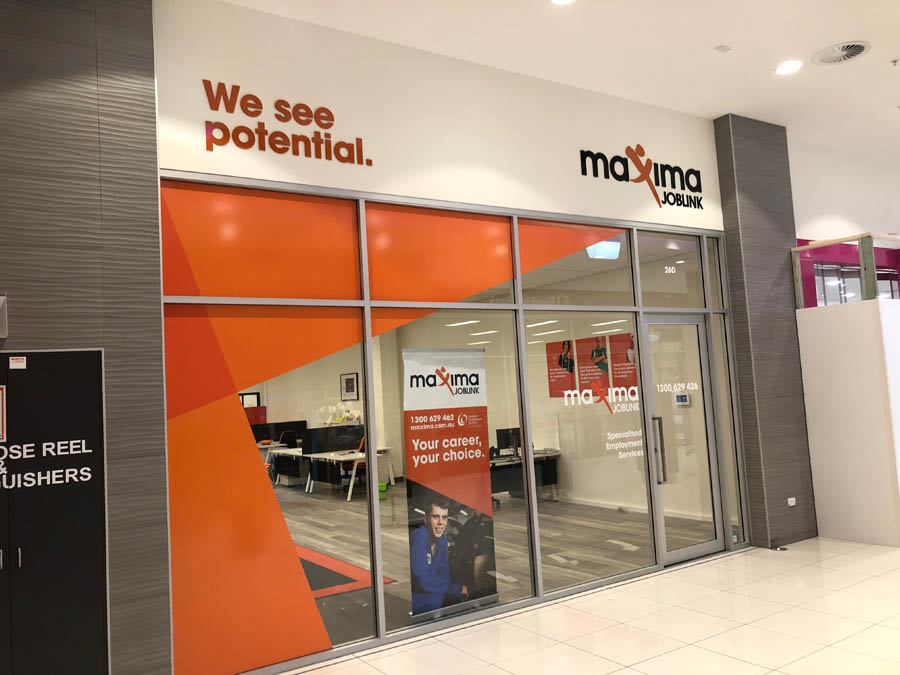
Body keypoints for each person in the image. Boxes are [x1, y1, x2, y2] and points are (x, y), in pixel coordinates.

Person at [410, 495, 468, 614]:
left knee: (451, 599)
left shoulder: (442, 541)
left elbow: (444, 576)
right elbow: (423, 579)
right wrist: (456, 589)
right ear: (426, 519)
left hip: (431, 592)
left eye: (444, 517)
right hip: (415, 595)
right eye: (435, 517)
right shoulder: (419, 537)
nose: (440, 522)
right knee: (437, 599)